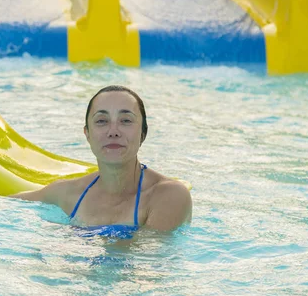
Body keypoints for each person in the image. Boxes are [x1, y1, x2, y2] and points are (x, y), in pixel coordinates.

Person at [11, 85, 192, 238]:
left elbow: (145, 259)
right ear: (87, 134)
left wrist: (67, 241)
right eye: (102, 121)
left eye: (126, 120)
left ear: (143, 134)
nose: (113, 131)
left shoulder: (169, 195)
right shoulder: (67, 193)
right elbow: (1, 203)